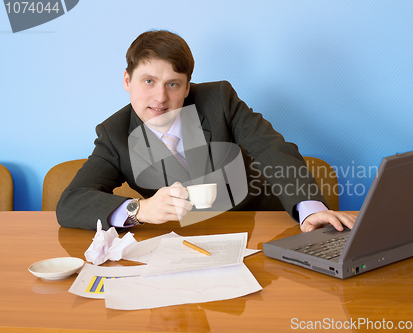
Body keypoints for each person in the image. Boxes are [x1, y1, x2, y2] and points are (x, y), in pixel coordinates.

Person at [56, 30, 355, 232]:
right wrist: (139, 210)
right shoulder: (115, 133)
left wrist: (309, 207)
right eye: (148, 81)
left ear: (187, 87)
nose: (160, 97)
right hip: (183, 245)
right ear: (127, 80)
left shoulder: (218, 100)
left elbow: (271, 148)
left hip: (258, 229)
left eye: (172, 84)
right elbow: (72, 202)